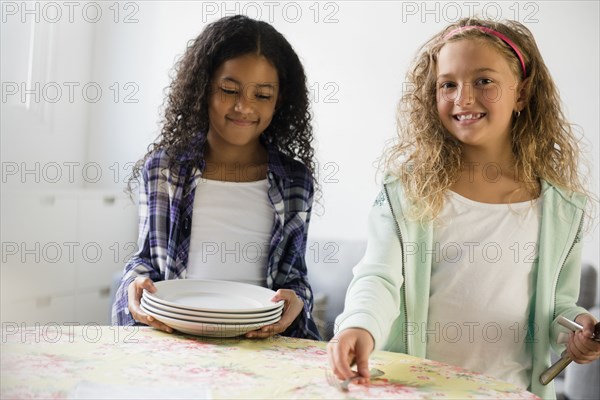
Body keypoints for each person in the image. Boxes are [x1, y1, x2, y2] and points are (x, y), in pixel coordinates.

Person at [327, 17, 599, 398]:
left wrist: (577, 328)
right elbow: (379, 278)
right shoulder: (408, 190)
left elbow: (558, 306)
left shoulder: (562, 208)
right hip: (418, 390)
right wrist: (359, 325)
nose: (463, 98)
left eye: (483, 81)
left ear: (521, 93)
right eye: (448, 85)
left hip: (512, 391)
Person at [111, 15, 321, 341]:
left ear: (279, 101)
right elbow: (145, 263)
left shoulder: (295, 181)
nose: (243, 107)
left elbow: (294, 279)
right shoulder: (165, 170)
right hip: (178, 339)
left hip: (260, 346)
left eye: (262, 95)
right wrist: (133, 287)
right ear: (203, 88)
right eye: (228, 89)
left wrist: (299, 300)